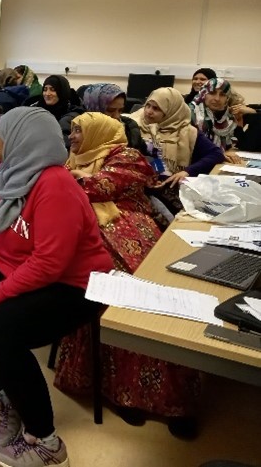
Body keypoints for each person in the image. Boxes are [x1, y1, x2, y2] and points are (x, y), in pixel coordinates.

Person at [0, 107, 112, 467]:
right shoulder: (7, 173)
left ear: (22, 140)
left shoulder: (55, 185)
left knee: (2, 328)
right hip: (14, 260)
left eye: (0, 134)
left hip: (75, 282)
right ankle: (7, 395)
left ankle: (47, 442)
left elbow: (51, 263)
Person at [53, 112, 202, 440]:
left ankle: (176, 401)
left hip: (134, 231)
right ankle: (123, 393)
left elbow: (104, 185)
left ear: (98, 131)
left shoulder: (126, 156)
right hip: (91, 240)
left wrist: (78, 180)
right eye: (73, 131)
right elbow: (65, 192)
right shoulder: (71, 160)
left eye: (79, 130)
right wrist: (75, 178)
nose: (73, 136)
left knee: (156, 301)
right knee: (111, 301)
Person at [128, 87, 224, 215]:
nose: (149, 112)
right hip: (138, 185)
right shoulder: (132, 124)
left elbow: (216, 154)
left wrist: (187, 171)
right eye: (148, 106)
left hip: (169, 186)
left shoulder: (186, 131)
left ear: (171, 111)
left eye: (156, 109)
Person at [191, 77, 256, 163]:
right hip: (195, 166)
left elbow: (246, 145)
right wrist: (220, 153)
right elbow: (194, 149)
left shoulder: (228, 116)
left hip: (217, 162)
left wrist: (253, 113)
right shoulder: (192, 114)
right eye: (212, 93)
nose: (217, 99)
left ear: (227, 98)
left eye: (222, 95)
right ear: (203, 94)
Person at [79, 82, 146, 153]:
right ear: (94, 108)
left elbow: (143, 154)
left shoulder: (129, 126)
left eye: (120, 110)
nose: (117, 116)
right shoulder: (78, 128)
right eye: (110, 110)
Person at [27, 74, 84, 148]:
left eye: (53, 90)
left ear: (62, 92)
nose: (47, 94)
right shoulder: (35, 109)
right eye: (45, 89)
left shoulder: (72, 114)